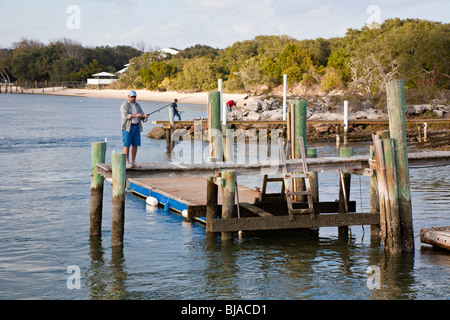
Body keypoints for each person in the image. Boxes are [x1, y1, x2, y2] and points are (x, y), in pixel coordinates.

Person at [120, 90, 148, 168]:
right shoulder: (124, 105)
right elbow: (125, 116)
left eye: (134, 96)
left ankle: (133, 161)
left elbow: (141, 115)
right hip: (127, 127)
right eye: (132, 96)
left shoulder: (138, 105)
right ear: (128, 96)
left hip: (137, 127)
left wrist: (144, 116)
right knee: (127, 145)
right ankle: (126, 162)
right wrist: (136, 115)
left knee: (135, 145)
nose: (133, 98)